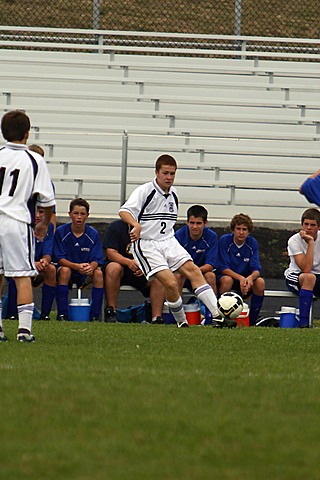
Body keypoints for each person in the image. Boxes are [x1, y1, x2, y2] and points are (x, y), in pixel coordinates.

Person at [119, 153, 226, 329]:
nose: (169, 177)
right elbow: (124, 211)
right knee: (170, 282)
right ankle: (181, 322)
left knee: (194, 271)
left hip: (168, 241)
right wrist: (135, 225)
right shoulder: (145, 191)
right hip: (147, 244)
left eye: (172, 174)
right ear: (157, 172)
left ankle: (218, 315)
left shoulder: (174, 194)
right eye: (165, 173)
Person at [0, 110, 55, 342]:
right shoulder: (34, 160)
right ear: (27, 133)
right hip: (16, 220)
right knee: (22, 275)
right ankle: (24, 331)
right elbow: (47, 200)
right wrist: (43, 224)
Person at [102, 219, 165, 323]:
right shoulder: (115, 227)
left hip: (142, 271)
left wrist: (145, 267)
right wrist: (128, 262)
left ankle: (156, 318)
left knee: (159, 275)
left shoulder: (151, 228)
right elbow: (111, 253)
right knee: (113, 268)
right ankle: (111, 312)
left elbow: (158, 253)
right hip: (121, 269)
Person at [53, 198, 104, 321]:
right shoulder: (61, 232)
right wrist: (76, 266)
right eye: (76, 213)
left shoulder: (93, 234)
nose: (79, 217)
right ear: (69, 214)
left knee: (98, 273)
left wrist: (91, 267)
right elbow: (59, 258)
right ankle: (62, 314)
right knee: (64, 270)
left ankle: (94, 316)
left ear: (87, 215)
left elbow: (97, 258)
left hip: (85, 273)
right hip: (68, 271)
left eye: (82, 214)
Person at [6, 205, 56, 320]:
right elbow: (15, 253)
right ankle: (13, 314)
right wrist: (33, 263)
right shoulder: (19, 226)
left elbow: (48, 252)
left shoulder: (48, 227)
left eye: (41, 212)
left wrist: (45, 261)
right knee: (19, 271)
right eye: (35, 211)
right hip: (18, 264)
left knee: (52, 270)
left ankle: (45, 315)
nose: (38, 215)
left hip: (38, 266)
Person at [217, 213, 265, 326]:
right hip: (230, 278)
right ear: (233, 230)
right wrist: (240, 278)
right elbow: (222, 267)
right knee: (226, 280)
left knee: (260, 282)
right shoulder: (225, 241)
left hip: (245, 280)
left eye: (244, 229)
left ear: (249, 231)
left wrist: (250, 279)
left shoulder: (252, 243)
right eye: (238, 229)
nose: (241, 232)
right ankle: (221, 317)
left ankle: (252, 321)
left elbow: (257, 268)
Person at [284, 208, 320, 328]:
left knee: (312, 278)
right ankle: (303, 325)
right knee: (309, 277)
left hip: (316, 276)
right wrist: (310, 243)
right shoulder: (294, 240)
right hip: (297, 275)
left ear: (318, 227)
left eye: (312, 225)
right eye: (306, 224)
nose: (308, 228)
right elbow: (306, 268)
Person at [175, 205, 218, 295]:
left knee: (211, 276)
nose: (194, 227)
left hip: (201, 273)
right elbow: (175, 263)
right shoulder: (178, 236)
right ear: (187, 222)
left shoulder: (211, 236)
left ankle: (213, 308)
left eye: (198, 223)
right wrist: (189, 272)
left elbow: (210, 266)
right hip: (184, 274)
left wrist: (195, 272)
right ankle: (177, 308)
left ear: (205, 223)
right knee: (177, 276)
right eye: (192, 223)